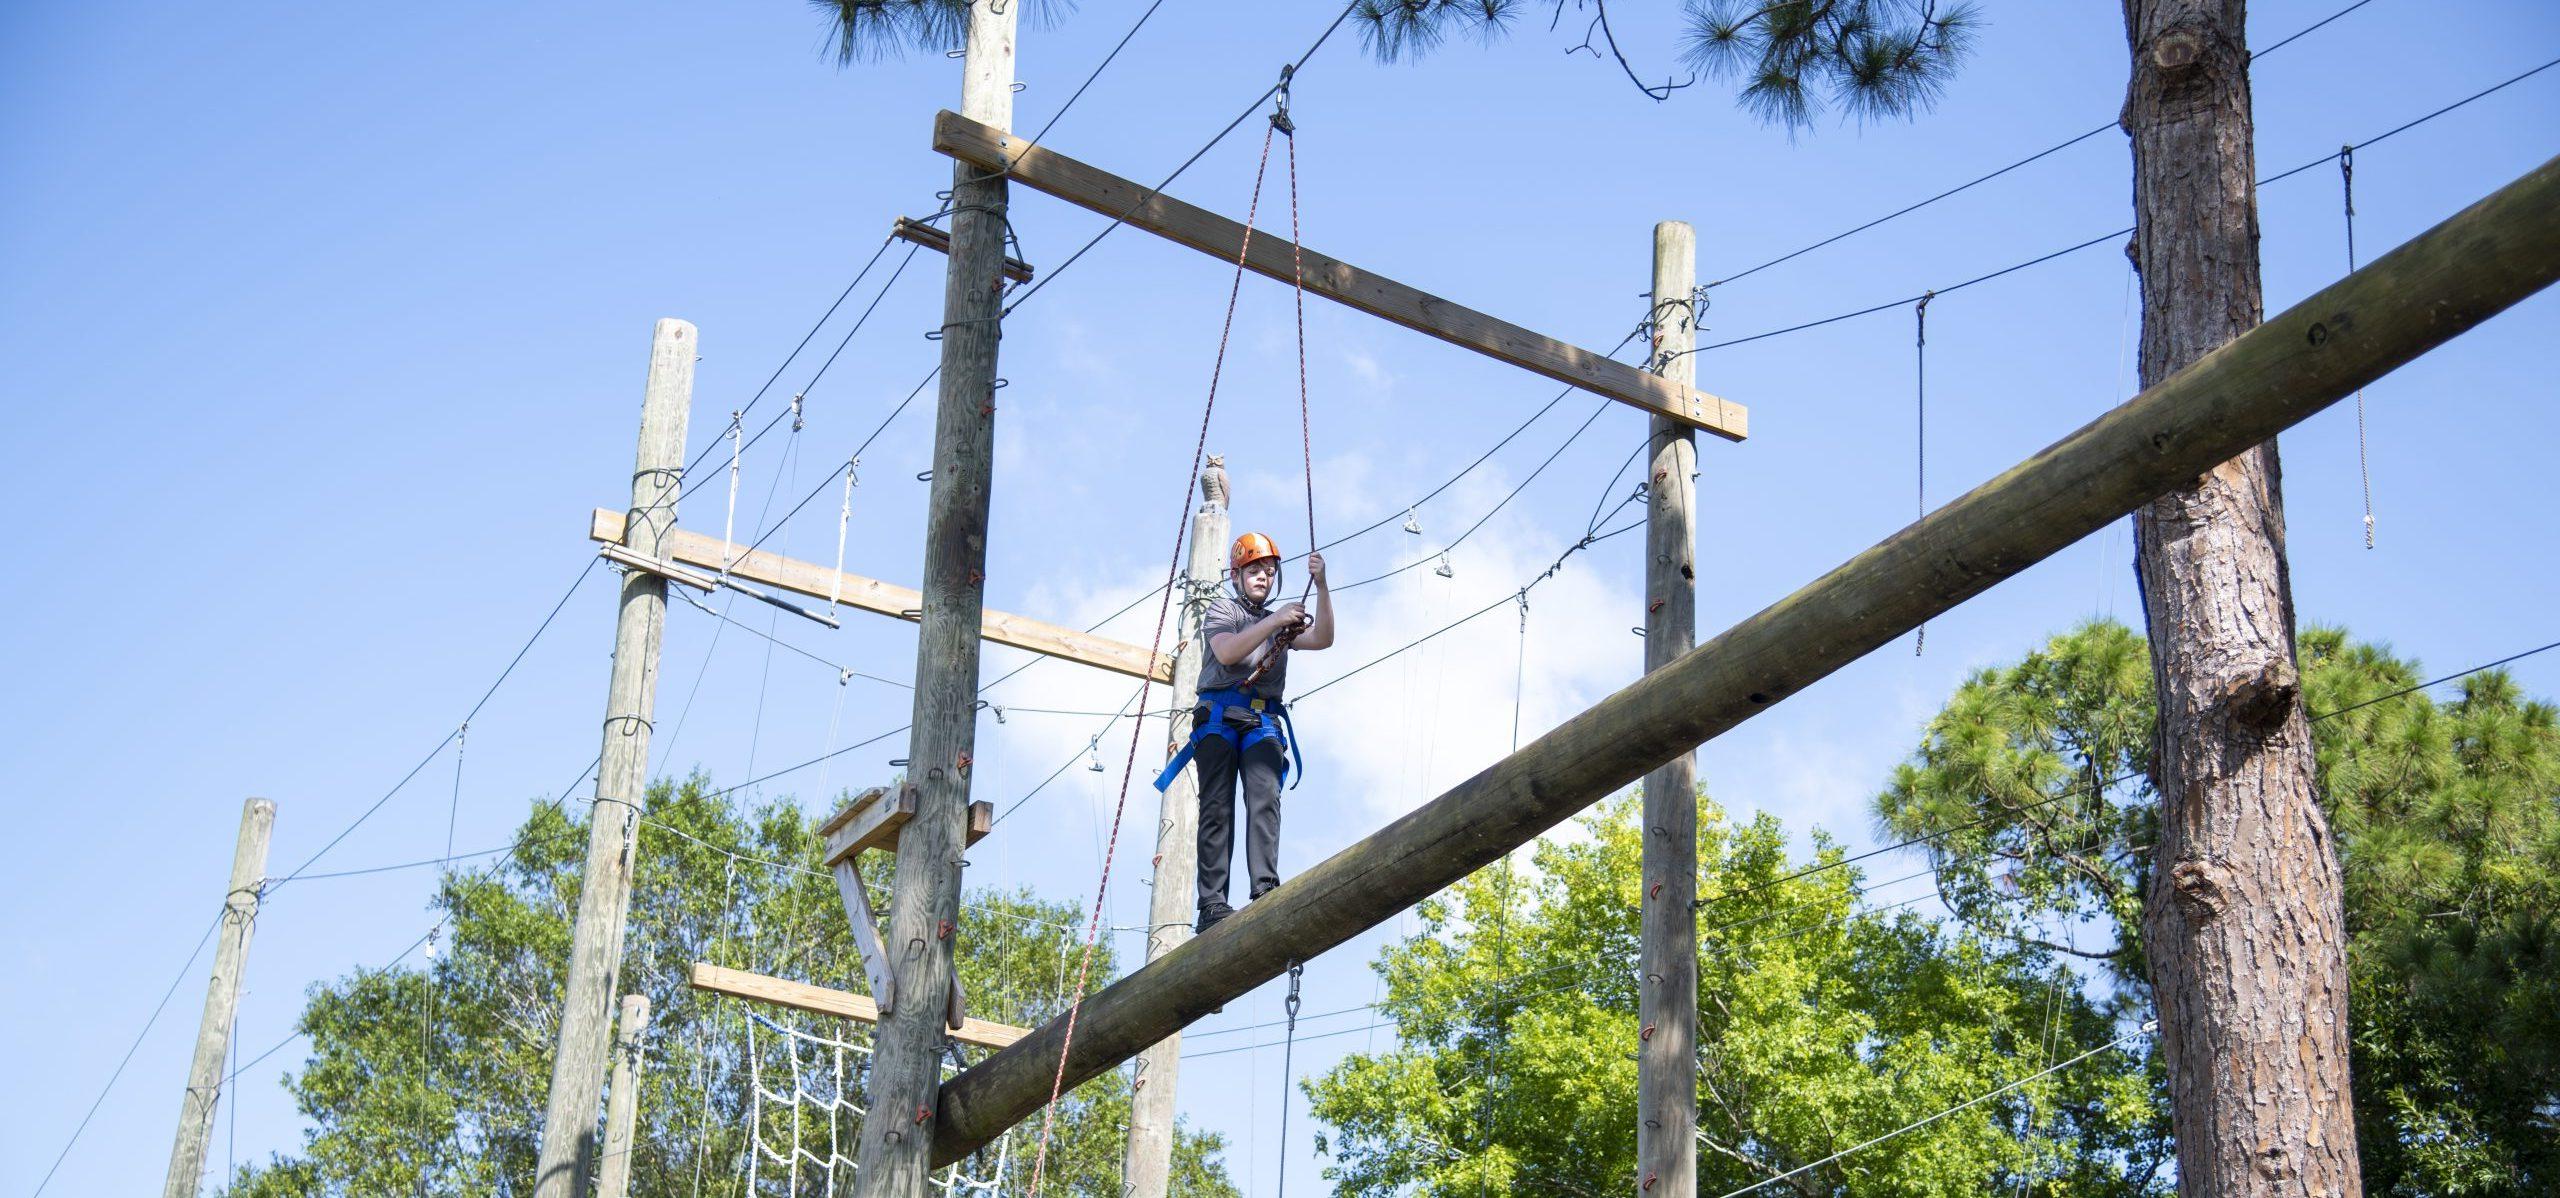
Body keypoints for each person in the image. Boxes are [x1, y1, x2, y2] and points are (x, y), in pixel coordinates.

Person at [1156, 531, 1333, 933]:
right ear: (1237, 576)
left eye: (1269, 571)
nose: (1263, 577)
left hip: (1261, 721)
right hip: (1219, 717)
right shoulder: (1224, 611)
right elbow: (1227, 652)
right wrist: (1274, 621)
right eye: (1254, 570)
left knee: (1265, 796)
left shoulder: (1280, 625)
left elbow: (1323, 638)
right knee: (1217, 807)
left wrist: (1321, 586)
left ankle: (1265, 888)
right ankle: (1213, 903)